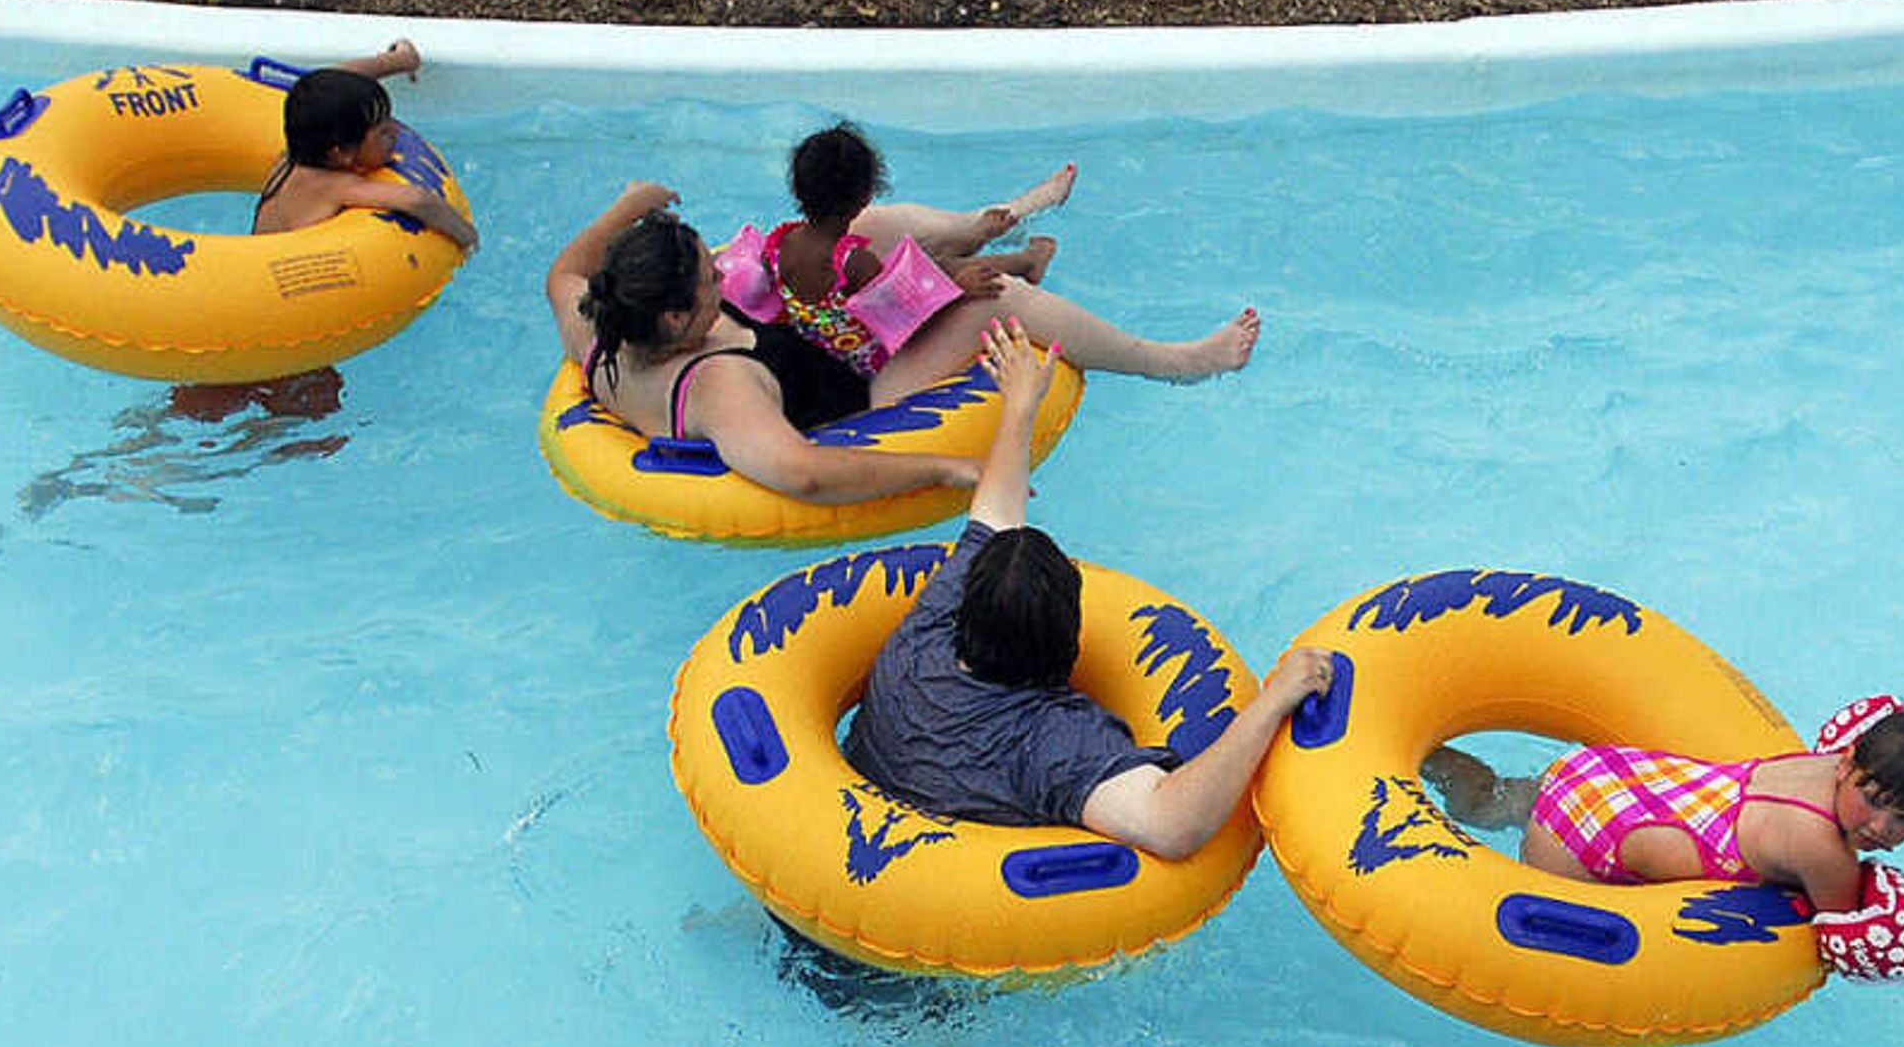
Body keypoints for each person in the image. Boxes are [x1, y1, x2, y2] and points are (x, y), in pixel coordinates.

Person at [845, 324, 1332, 862]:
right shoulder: (1052, 742)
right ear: (1067, 637)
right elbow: (1172, 828)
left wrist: (1020, 403)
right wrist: (1274, 699)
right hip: (968, 934)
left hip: (845, 873)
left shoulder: (924, 635)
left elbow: (994, 515)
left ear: (966, 607)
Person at [542, 178, 1260, 512]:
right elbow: (803, 473)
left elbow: (563, 274)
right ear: (672, 320)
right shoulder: (719, 389)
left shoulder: (602, 333)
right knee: (1000, 304)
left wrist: (629, 205)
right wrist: (943, 467)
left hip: (826, 344)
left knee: (869, 226)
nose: (718, 278)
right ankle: (1178, 362)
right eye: (706, 280)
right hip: (870, 398)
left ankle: (996, 219)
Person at [1420, 702, 1904, 963]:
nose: (1880, 828)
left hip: (1607, 779)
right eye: (1873, 802)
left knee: (1492, 802)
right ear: (1848, 768)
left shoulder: (1831, 760)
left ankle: (1436, 760)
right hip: (1578, 848)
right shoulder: (1824, 852)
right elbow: (1853, 936)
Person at [720, 122, 1069, 391]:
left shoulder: (781, 244)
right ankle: (1025, 260)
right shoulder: (854, 262)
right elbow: (909, 310)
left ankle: (985, 239)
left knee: (930, 264)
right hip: (865, 366)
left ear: (797, 189)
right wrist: (958, 286)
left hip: (815, 351)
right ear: (865, 198)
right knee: (946, 271)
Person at [249, 40, 475, 253]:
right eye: (383, 132)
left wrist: (400, 60)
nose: (396, 131)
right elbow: (418, 200)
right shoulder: (332, 186)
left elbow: (335, 80)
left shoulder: (294, 154)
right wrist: (468, 240)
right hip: (279, 281)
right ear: (341, 153)